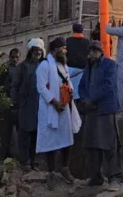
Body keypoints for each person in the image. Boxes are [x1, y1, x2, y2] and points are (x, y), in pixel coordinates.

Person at [36, 37, 81, 190]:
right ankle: (51, 173)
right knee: (51, 141)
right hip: (51, 109)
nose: (65, 51)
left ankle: (65, 168)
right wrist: (55, 102)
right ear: (56, 50)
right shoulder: (44, 65)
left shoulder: (63, 65)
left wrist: (70, 92)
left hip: (64, 107)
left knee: (66, 138)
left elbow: (67, 81)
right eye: (63, 48)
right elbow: (41, 87)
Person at [78, 40, 123, 189]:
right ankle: (96, 177)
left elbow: (109, 85)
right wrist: (85, 99)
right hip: (91, 111)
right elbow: (81, 85)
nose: (92, 54)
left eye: (95, 51)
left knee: (109, 145)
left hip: (105, 110)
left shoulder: (110, 65)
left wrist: (92, 98)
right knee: (92, 145)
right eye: (90, 51)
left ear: (101, 52)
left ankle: (114, 178)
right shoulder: (88, 67)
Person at [11, 39, 44, 170]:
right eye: (35, 50)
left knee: (37, 135)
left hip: (40, 105)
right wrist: (15, 103)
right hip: (25, 105)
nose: (37, 53)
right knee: (24, 134)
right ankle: (24, 161)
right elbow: (14, 87)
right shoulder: (22, 67)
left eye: (39, 50)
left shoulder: (43, 66)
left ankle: (34, 161)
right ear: (30, 51)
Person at [0, 48, 20, 159]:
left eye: (16, 57)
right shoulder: (4, 70)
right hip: (5, 104)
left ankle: (11, 153)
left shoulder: (19, 70)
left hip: (15, 104)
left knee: (14, 130)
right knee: (4, 130)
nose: (15, 59)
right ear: (10, 57)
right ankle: (3, 154)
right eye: (13, 57)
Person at [65, 23, 90, 101]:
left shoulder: (68, 41)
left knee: (70, 95)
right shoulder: (87, 42)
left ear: (73, 30)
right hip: (82, 71)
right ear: (82, 31)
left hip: (70, 71)